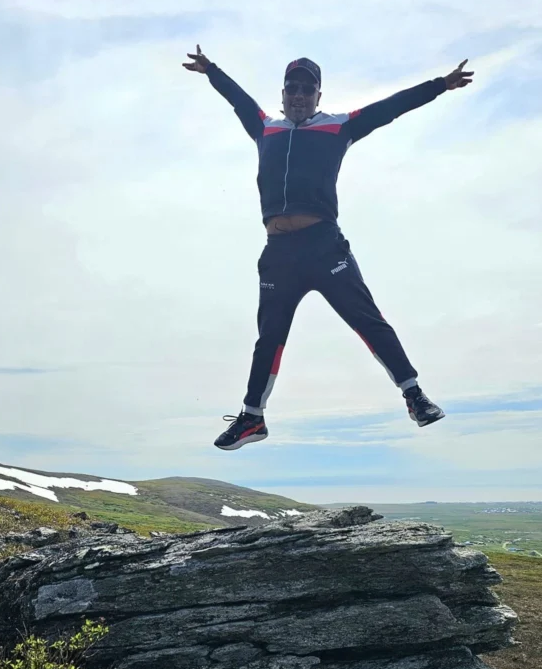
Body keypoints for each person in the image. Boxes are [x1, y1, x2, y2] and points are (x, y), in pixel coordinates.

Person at [183, 46, 474, 450]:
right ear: (282, 94)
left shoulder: (339, 126)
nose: (299, 95)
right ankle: (252, 419)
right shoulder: (265, 128)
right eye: (292, 88)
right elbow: (238, 99)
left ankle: (414, 396)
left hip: (323, 246)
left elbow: (390, 108)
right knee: (269, 337)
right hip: (278, 253)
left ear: (319, 95)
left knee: (366, 319)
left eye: (307, 89)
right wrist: (211, 70)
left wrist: (440, 85)